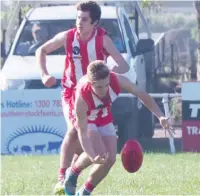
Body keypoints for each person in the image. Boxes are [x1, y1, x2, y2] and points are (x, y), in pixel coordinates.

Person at [35, 1, 129, 194]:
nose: (79, 22)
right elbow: (41, 50)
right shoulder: (68, 37)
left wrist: (110, 74)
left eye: (84, 19)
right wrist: (44, 74)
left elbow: (123, 65)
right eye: (78, 18)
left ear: (94, 22)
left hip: (94, 94)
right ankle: (62, 180)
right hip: (72, 92)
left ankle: (78, 183)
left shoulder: (102, 39)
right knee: (74, 131)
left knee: (95, 150)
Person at [64, 60, 173, 195]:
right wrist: (92, 156)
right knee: (99, 152)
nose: (104, 90)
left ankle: (85, 192)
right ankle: (73, 172)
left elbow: (142, 94)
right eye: (99, 87)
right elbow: (83, 132)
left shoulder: (118, 80)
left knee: (110, 159)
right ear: (91, 83)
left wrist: (160, 116)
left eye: (106, 85)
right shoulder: (82, 97)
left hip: (103, 115)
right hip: (87, 118)